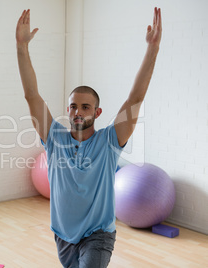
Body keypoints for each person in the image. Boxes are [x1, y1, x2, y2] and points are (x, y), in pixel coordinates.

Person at [16, 7, 162, 268]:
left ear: (97, 112)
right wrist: (22, 47)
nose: (78, 112)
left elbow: (135, 99)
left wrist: (152, 49)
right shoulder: (54, 138)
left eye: (85, 107)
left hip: (98, 235)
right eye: (73, 106)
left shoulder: (108, 141)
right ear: (68, 109)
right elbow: (32, 95)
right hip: (63, 235)